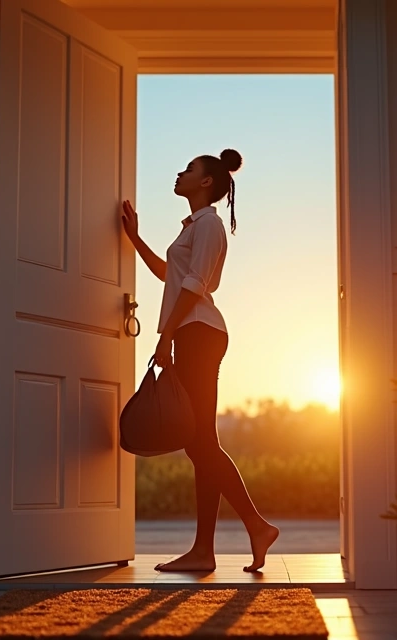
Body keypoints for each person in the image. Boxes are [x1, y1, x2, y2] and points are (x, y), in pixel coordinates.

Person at [119, 149, 280, 573]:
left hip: (199, 333)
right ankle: (207, 549)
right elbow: (169, 275)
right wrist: (135, 238)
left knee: (200, 443)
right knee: (202, 442)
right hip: (193, 333)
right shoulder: (194, 226)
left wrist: (166, 336)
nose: (180, 173)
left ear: (207, 181)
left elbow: (194, 284)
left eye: (189, 169)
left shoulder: (209, 224)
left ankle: (254, 526)